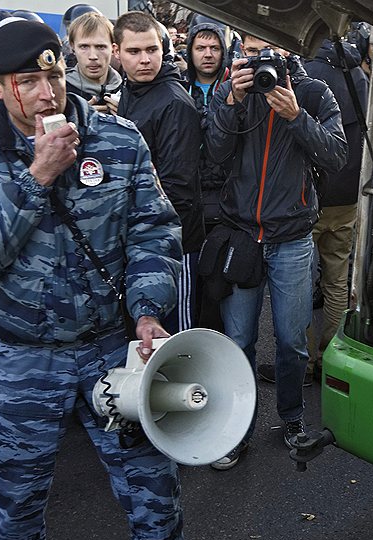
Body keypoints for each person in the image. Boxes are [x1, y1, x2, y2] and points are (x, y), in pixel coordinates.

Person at [0, 20, 184, 540]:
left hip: (114, 349)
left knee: (154, 497)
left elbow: (153, 232)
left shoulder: (116, 140)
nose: (48, 95)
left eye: (55, 76)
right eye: (28, 81)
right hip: (24, 358)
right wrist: (36, 178)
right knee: (15, 508)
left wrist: (148, 310)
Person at [204, 33, 346, 469]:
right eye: (252, 50)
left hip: (292, 237)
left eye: (273, 49)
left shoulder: (315, 91)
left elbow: (338, 155)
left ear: (290, 50)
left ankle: (292, 420)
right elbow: (214, 153)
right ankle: (238, 429)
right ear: (241, 52)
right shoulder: (231, 87)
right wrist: (229, 102)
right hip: (244, 234)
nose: (263, 58)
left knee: (291, 342)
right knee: (239, 340)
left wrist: (296, 116)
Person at [115, 10, 203, 334]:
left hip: (174, 244)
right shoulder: (132, 90)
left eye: (152, 49)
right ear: (118, 53)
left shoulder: (174, 102)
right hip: (140, 242)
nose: (145, 59)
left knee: (174, 340)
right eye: (134, 51)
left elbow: (176, 189)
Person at [301, 38, 369, 375]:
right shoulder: (360, 76)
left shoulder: (308, 73)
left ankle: (304, 361)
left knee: (298, 280)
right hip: (349, 193)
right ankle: (332, 356)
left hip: (312, 194)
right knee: (337, 278)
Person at [184, 19, 230, 332]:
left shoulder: (233, 88)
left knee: (219, 292)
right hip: (189, 201)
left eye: (214, 47)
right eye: (200, 47)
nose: (208, 54)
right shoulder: (178, 87)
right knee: (190, 291)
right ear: (190, 51)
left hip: (226, 204)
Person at [65, 11, 123, 114]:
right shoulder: (60, 91)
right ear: (72, 47)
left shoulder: (126, 89)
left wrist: (126, 116)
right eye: (84, 47)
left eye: (100, 47)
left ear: (113, 48)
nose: (93, 56)